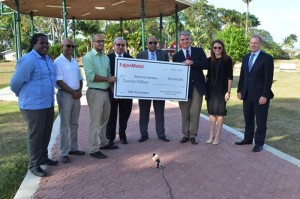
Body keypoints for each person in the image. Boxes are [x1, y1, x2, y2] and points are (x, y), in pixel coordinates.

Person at [10, 33, 58, 177]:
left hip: (47, 103)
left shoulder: (48, 59)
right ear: (33, 45)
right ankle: (34, 165)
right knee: (36, 135)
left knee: (46, 132)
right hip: (32, 106)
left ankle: (43, 157)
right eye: (41, 43)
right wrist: (24, 95)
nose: (45, 46)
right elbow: (15, 83)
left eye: (46, 43)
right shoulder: (28, 60)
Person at [235, 34, 274, 153]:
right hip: (246, 95)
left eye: (255, 43)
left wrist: (265, 95)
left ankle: (259, 143)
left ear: (260, 44)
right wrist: (239, 90)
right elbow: (243, 76)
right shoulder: (246, 57)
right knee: (248, 119)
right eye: (251, 42)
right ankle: (247, 139)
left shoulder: (267, 58)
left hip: (260, 96)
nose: (253, 45)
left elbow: (268, 78)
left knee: (261, 122)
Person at [83, 34, 118, 159]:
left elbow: (109, 77)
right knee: (95, 122)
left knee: (104, 120)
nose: (101, 44)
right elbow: (91, 76)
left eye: (103, 41)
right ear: (93, 42)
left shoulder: (105, 57)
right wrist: (108, 79)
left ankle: (104, 143)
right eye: (98, 41)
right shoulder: (88, 57)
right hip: (94, 92)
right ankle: (93, 149)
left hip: (105, 92)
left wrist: (113, 91)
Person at [172, 31, 208, 145]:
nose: (185, 41)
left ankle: (193, 134)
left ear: (190, 40)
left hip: (197, 86)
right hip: (183, 88)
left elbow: (206, 64)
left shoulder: (199, 51)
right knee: (185, 112)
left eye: (187, 39)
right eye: (182, 40)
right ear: (180, 42)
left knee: (195, 111)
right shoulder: (176, 56)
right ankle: (185, 135)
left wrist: (192, 62)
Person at [54, 39, 85, 163]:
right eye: (68, 46)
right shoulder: (58, 62)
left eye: (73, 46)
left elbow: (79, 78)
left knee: (74, 124)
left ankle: (73, 148)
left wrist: (80, 90)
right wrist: (73, 92)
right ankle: (64, 152)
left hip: (76, 95)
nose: (71, 48)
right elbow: (59, 81)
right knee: (64, 125)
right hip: (65, 95)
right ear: (62, 46)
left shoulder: (74, 61)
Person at [136, 36, 170, 143]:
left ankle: (161, 134)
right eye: (150, 43)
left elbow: (167, 70)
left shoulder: (163, 54)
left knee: (160, 112)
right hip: (145, 89)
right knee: (143, 113)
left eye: (155, 42)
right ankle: (143, 134)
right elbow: (137, 72)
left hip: (158, 89)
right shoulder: (140, 55)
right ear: (147, 44)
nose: (153, 45)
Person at [205, 40, 233, 145]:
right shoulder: (209, 60)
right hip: (210, 90)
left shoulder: (227, 60)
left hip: (222, 90)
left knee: (220, 113)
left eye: (219, 47)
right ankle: (211, 135)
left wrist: (228, 92)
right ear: (212, 49)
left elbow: (230, 77)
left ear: (223, 48)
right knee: (212, 113)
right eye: (215, 47)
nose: (217, 49)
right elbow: (207, 75)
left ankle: (218, 136)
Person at [106, 37, 133, 145]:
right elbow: (105, 75)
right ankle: (110, 137)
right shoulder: (107, 59)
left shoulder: (130, 58)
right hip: (111, 92)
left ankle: (122, 135)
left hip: (126, 94)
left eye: (123, 45)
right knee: (111, 116)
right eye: (118, 45)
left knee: (124, 115)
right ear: (114, 46)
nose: (120, 47)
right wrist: (112, 89)